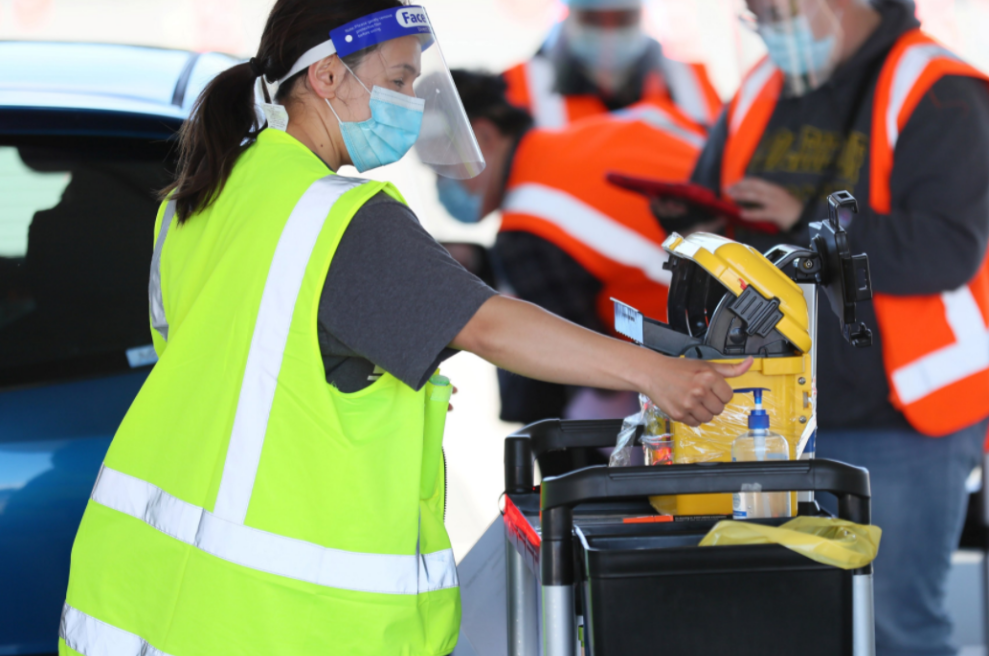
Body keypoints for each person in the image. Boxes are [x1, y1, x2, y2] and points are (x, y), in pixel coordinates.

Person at [57, 3, 752, 655]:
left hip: (141, 592)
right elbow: (490, 326)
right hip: (275, 615)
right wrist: (657, 374)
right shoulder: (336, 217)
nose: (411, 105)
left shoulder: (201, 201)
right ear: (327, 77)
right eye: (397, 80)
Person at [683, 1, 989, 654]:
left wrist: (807, 217)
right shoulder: (764, 85)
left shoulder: (942, 91)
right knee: (792, 623)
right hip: (778, 409)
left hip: (904, 413)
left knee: (896, 625)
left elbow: (945, 249)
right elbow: (715, 190)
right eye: (755, 14)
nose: (764, 24)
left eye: (773, 10)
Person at [438, 70, 706, 423]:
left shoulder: (525, 233)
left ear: (485, 136)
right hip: (771, 291)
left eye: (440, 168)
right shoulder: (606, 128)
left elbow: (589, 365)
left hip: (703, 363)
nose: (441, 184)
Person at [502, 0, 723, 129]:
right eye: (593, 19)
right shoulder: (518, 87)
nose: (608, 34)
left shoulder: (692, 83)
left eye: (622, 18)